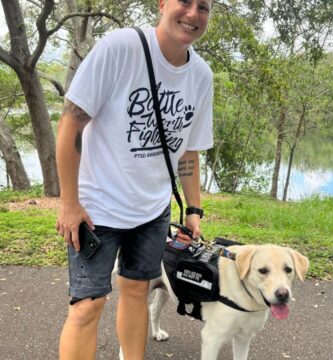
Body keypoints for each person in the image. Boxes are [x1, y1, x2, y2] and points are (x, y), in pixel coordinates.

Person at [55, 0, 214, 359]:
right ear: (162, 4)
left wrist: (194, 209)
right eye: (185, 2)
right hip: (95, 210)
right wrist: (69, 203)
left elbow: (189, 151)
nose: (193, 14)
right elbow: (70, 124)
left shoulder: (202, 76)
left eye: (203, 7)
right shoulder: (120, 48)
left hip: (152, 210)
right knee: (86, 306)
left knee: (137, 291)